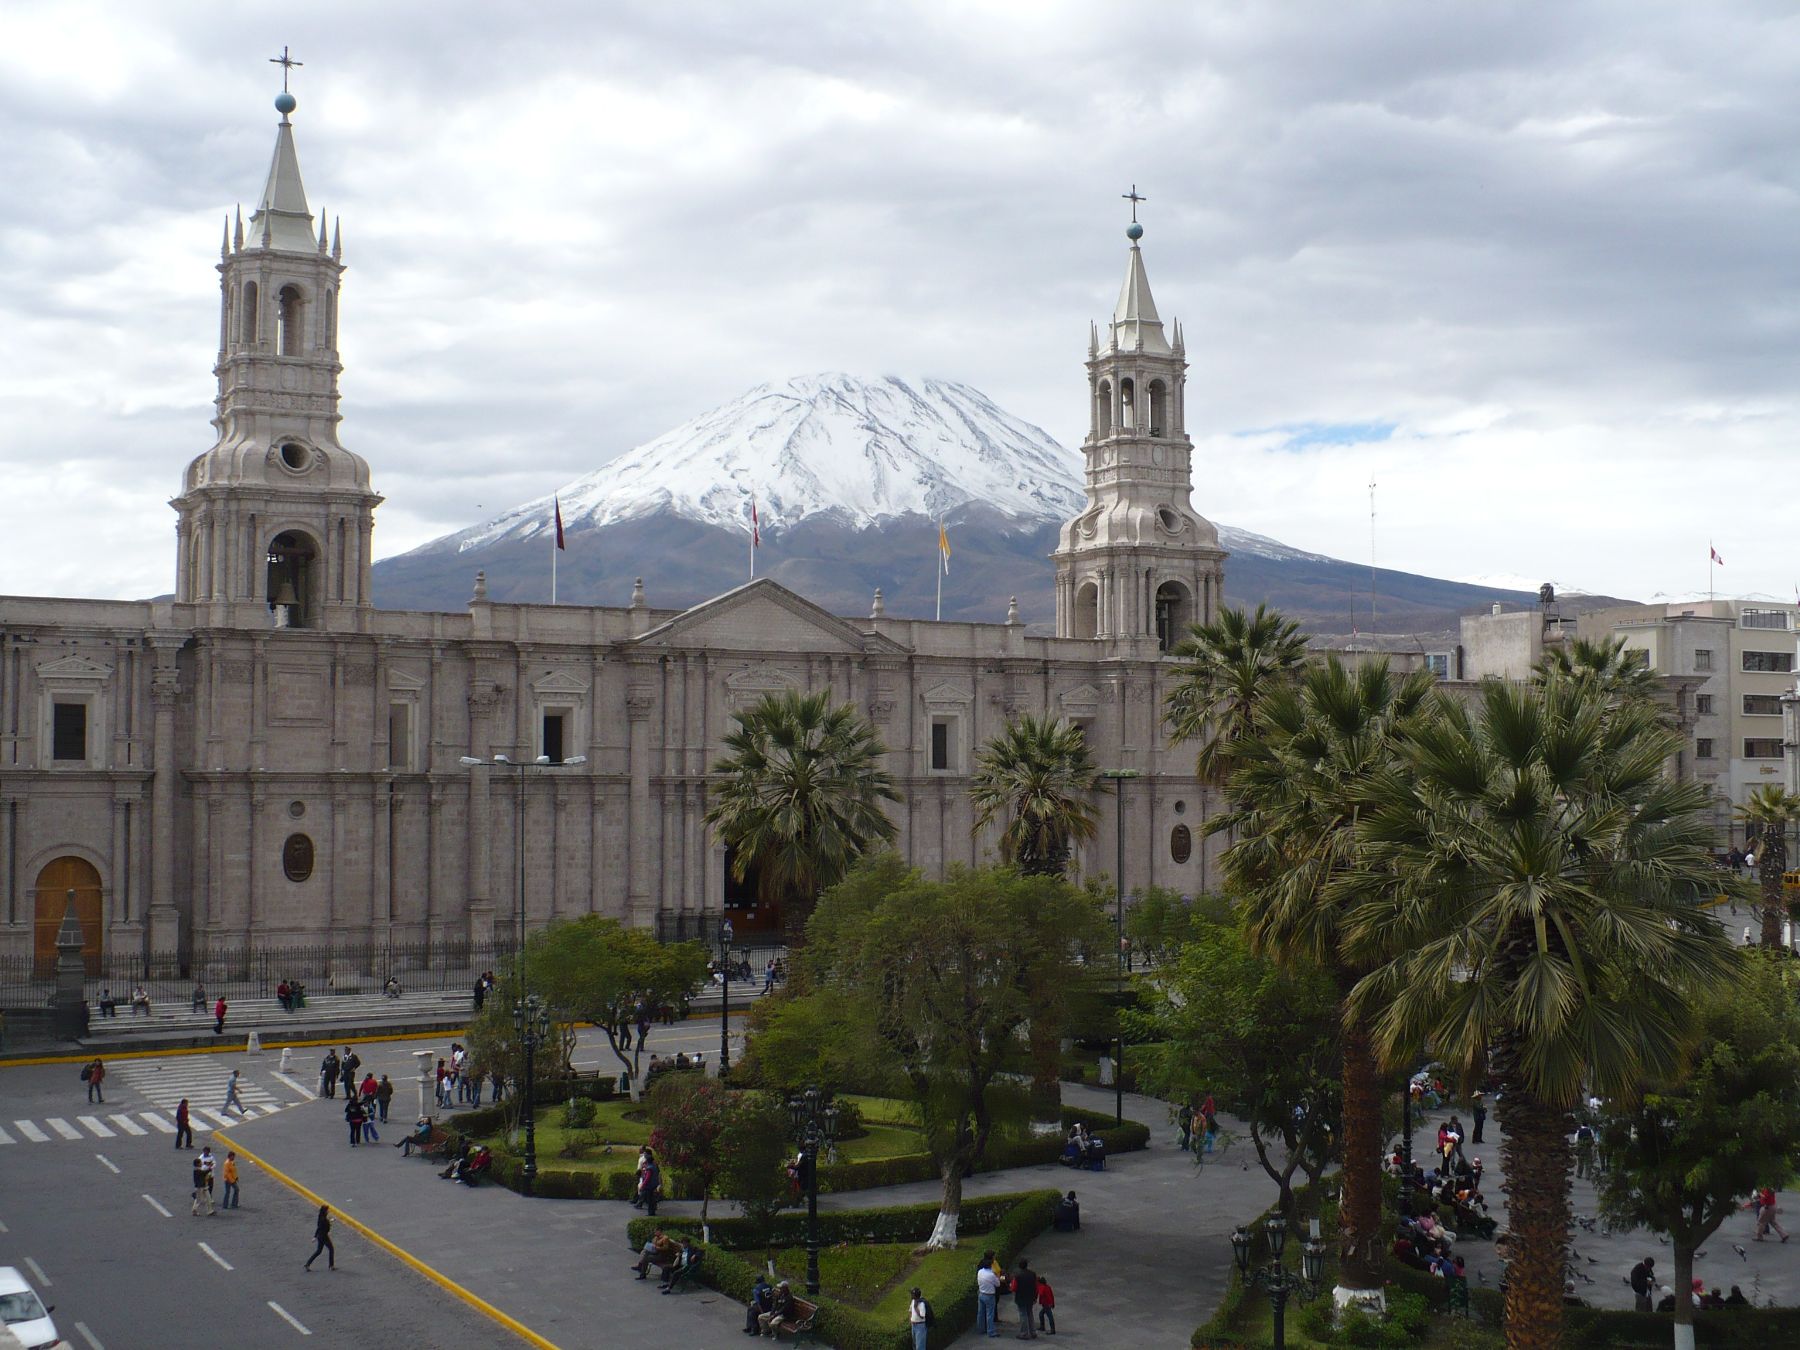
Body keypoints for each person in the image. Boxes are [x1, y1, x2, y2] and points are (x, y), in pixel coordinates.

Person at [1012, 1260, 1039, 1339]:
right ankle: (1033, 1332)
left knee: (1023, 1314)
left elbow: (1013, 1287)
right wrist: (1035, 1297)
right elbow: (1036, 1286)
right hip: (1031, 1297)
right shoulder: (1032, 1274)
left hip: (1021, 1297)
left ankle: (1024, 1333)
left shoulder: (1017, 1276)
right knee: (1030, 1313)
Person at [304, 1204, 335, 1271]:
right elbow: (327, 1229)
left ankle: (308, 1264)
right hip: (324, 1237)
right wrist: (330, 1222)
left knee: (318, 1251)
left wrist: (315, 1236)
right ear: (325, 1211)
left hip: (320, 1236)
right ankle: (331, 1265)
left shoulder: (320, 1217)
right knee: (331, 1249)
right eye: (327, 1210)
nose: (328, 1211)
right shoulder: (324, 1220)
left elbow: (319, 1228)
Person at [976, 1253, 1000, 1337]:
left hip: (981, 1293)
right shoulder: (991, 1275)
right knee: (990, 1314)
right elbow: (998, 1284)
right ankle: (991, 1331)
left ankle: (980, 1329)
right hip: (989, 1295)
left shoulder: (980, 1272)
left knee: (980, 1313)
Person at [908, 1285, 932, 1349]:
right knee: (915, 1345)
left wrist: (916, 1308)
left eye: (912, 1294)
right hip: (914, 1325)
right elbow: (910, 1310)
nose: (911, 1295)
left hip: (920, 1327)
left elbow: (922, 1316)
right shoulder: (913, 1301)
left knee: (920, 1347)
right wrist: (911, 1320)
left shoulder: (921, 1303)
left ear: (915, 1295)